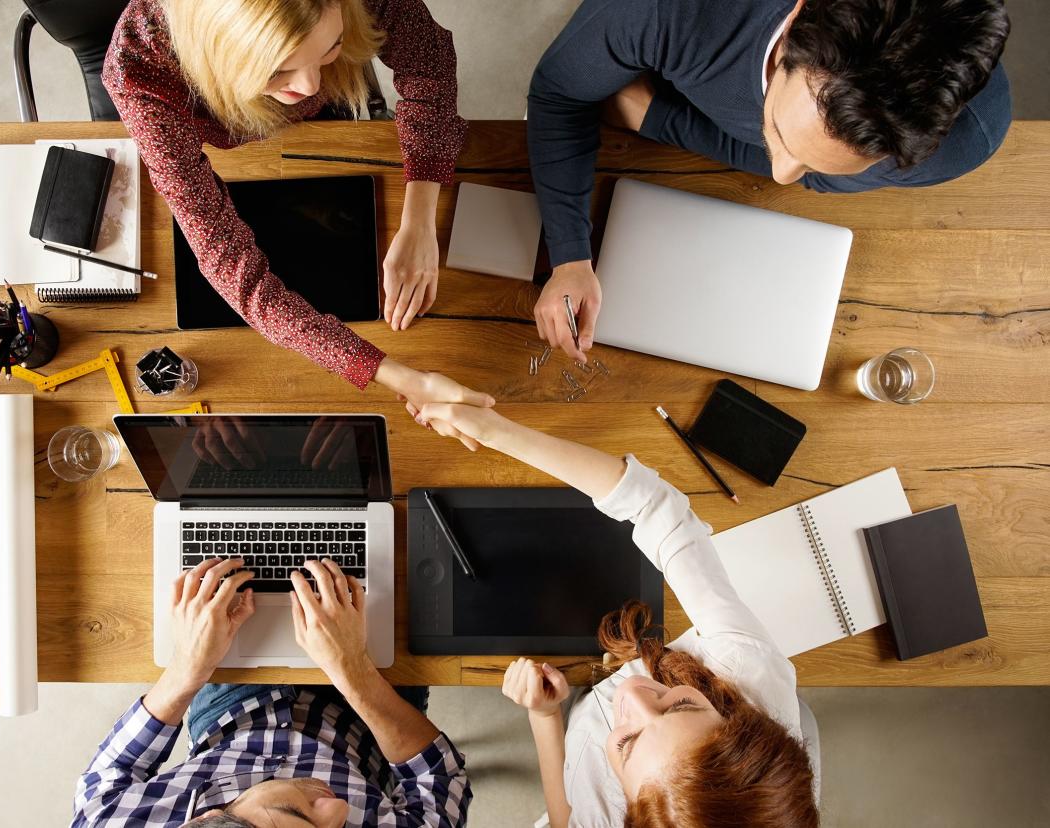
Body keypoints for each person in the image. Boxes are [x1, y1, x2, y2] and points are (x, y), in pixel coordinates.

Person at [526, 0, 1011, 364]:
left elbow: (815, 183)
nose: (780, 174)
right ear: (798, 23)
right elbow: (558, 93)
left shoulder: (961, 140)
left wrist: (661, 120)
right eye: (779, 133)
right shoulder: (666, 11)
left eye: (814, 163)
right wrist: (569, 255)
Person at [412, 402, 818, 827]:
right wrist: (495, 431)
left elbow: (565, 820)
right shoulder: (748, 668)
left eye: (628, 743)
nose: (634, 693)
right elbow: (658, 511)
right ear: (743, 726)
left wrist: (545, 716)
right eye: (679, 707)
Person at [102, 0, 484, 415]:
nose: (311, 85)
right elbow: (235, 272)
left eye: (331, 47)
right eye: (278, 70)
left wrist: (420, 219)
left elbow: (430, 64)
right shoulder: (139, 71)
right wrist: (398, 376)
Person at [72, 558, 471, 826]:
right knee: (418, 567)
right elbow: (439, 778)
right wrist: (353, 670)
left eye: (295, 812)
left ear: (209, 817)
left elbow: (108, 776)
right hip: (369, 728)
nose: (338, 810)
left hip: (230, 708)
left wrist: (188, 667)